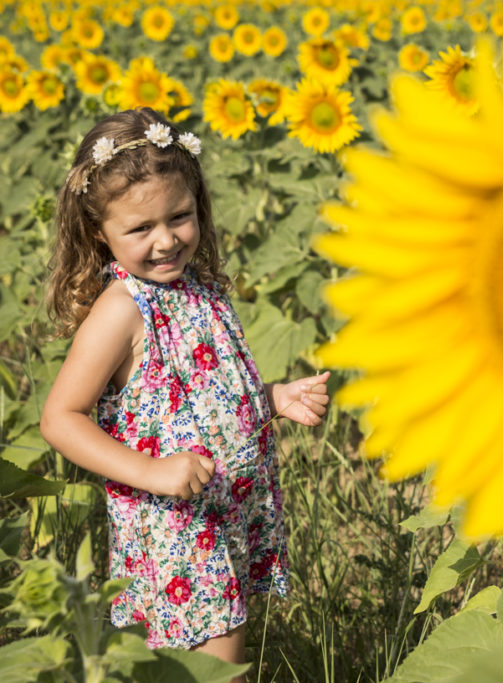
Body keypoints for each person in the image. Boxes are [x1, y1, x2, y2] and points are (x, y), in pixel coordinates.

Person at [39, 107, 329, 673]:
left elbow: (200, 392)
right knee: (215, 671)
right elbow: (60, 417)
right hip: (178, 528)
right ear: (100, 233)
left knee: (191, 667)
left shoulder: (197, 288)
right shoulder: (122, 309)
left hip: (228, 511)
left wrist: (269, 399)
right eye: (141, 229)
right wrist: (151, 472)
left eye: (180, 216)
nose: (167, 241)